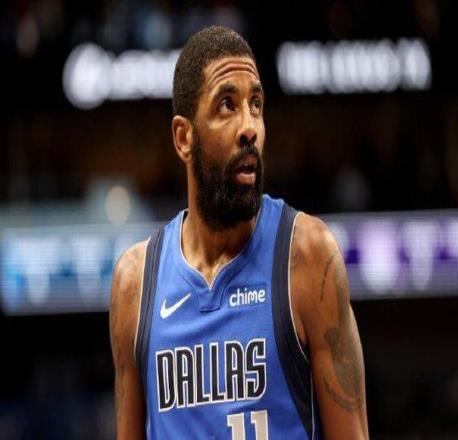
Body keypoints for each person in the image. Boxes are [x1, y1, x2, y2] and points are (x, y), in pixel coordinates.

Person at [109, 25, 368, 439]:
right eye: (227, 105)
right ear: (184, 137)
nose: (250, 127)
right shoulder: (135, 285)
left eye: (256, 105)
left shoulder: (306, 256)